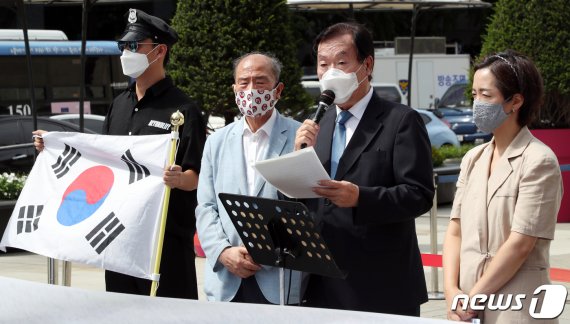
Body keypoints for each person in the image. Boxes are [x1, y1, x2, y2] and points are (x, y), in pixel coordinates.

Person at [33, 8, 206, 298]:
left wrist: (178, 179)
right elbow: (101, 159)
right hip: (119, 240)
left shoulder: (183, 109)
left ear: (160, 50)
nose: (126, 52)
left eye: (135, 46)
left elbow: (197, 176)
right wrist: (54, 145)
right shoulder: (119, 104)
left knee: (169, 315)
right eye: (123, 46)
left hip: (164, 244)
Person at [294, 22, 434, 315]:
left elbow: (418, 194)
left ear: (366, 65)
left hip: (380, 283)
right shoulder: (319, 121)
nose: (330, 72)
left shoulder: (401, 120)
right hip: (322, 280)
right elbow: (308, 198)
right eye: (323, 64)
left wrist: (360, 197)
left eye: (341, 62)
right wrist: (297, 161)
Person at [442, 50, 562, 323]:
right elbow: (455, 230)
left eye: (486, 95)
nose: (477, 103)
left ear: (515, 101)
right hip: (467, 303)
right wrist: (451, 290)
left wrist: (474, 296)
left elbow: (521, 243)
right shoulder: (473, 158)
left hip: (517, 303)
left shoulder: (539, 160)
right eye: (474, 95)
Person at [195, 52, 302, 304]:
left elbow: (309, 207)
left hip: (280, 280)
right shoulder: (216, 142)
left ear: (278, 89)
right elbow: (206, 207)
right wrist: (222, 252)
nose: (251, 89)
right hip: (227, 280)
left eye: (261, 81)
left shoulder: (301, 137)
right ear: (234, 88)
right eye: (244, 82)